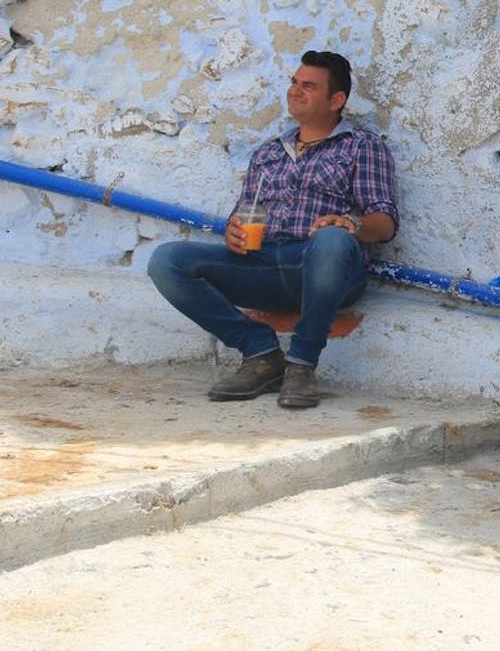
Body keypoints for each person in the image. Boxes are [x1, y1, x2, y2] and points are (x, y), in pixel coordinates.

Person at [148, 50, 398, 409]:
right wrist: (233, 235)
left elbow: (385, 223)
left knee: (330, 239)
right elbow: (244, 214)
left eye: (308, 86)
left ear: (336, 100)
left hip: (325, 266)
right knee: (168, 260)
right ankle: (261, 353)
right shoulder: (268, 154)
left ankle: (301, 364)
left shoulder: (362, 146)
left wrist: (351, 224)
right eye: (294, 83)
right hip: (264, 263)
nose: (295, 91)